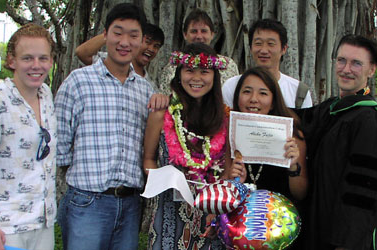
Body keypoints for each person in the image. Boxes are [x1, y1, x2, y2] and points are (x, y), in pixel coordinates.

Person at [55, 3, 154, 249]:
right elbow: (60, 142)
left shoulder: (145, 89)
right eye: (117, 33)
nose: (125, 42)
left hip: (130, 204)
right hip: (87, 202)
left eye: (133, 35)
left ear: (142, 41)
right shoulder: (79, 81)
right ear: (105, 36)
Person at [297, 34, 377, 249]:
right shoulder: (332, 108)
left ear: (371, 70)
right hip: (322, 224)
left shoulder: (369, 120)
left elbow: (361, 192)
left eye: (356, 63)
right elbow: (298, 120)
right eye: (342, 60)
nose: (346, 69)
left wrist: (346, 243)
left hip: (346, 238)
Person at [0, 23, 57, 250]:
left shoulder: (46, 96)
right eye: (27, 58)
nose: (36, 66)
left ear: (51, 61)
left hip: (42, 222)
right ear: (11, 61)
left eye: (43, 58)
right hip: (3, 228)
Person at [143, 43, 229, 249]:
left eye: (204, 72)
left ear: (214, 77)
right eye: (189, 70)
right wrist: (159, 179)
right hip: (169, 216)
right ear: (179, 74)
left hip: (212, 218)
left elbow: (227, 170)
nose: (196, 78)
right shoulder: (161, 114)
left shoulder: (225, 119)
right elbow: (148, 159)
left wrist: (218, 210)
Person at [224, 66, 308, 201]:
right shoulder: (231, 131)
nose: (253, 99)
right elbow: (225, 189)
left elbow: (301, 194)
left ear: (273, 102)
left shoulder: (291, 134)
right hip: (242, 216)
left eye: (263, 93)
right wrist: (235, 180)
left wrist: (293, 166)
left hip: (280, 217)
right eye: (246, 92)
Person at [222, 19, 313, 109]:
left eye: (271, 44)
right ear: (250, 48)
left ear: (284, 49)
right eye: (258, 43)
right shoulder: (232, 86)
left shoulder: (299, 92)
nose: (264, 50)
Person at [157, 9, 239, 94]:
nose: (199, 36)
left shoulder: (228, 65)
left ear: (212, 34)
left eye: (204, 31)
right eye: (194, 31)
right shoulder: (172, 68)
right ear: (185, 35)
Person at [75, 23, 165, 80]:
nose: (151, 49)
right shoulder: (109, 62)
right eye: (148, 42)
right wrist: (113, 33)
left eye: (156, 46)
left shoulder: (150, 85)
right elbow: (82, 53)